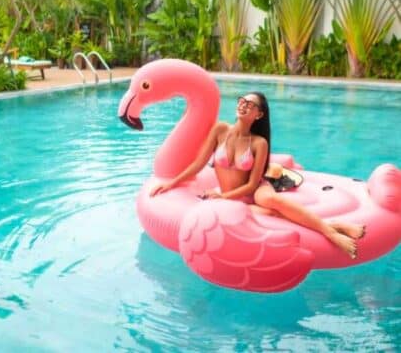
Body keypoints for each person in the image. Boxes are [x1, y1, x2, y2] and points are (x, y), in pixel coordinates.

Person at [150, 91, 364, 259]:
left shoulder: (259, 143)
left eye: (250, 104)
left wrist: (222, 197)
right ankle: (335, 224)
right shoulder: (220, 130)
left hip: (254, 189)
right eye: (242, 100)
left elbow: (253, 185)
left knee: (267, 199)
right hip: (233, 198)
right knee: (268, 214)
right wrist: (172, 183)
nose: (243, 105)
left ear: (258, 114)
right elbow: (198, 163)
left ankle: (331, 234)